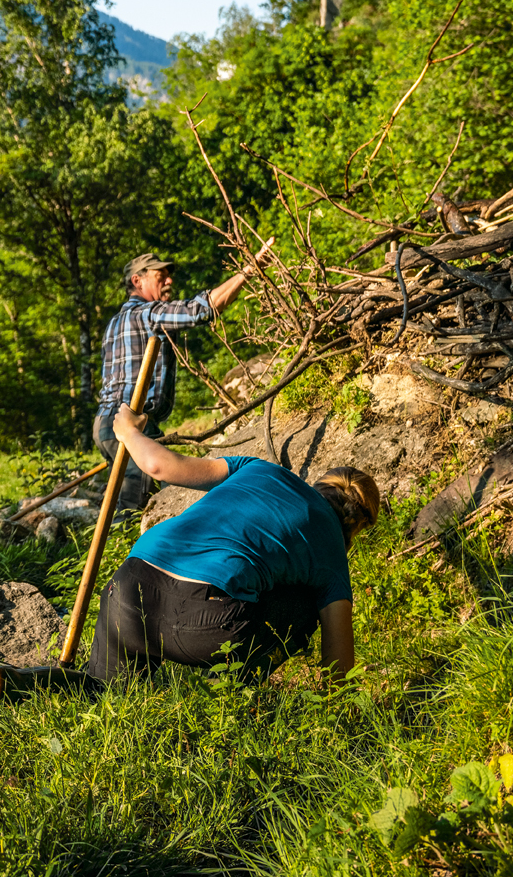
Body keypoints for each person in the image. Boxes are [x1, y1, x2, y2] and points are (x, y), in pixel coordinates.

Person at [84, 402, 380, 684]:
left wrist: (128, 432)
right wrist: (342, 720)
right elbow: (339, 663)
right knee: (306, 607)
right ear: (356, 527)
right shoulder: (333, 551)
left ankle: (44, 683)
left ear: (319, 484)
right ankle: (230, 695)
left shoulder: (257, 468)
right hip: (203, 625)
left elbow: (159, 466)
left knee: (101, 693)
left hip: (126, 590)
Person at [92, 247, 268, 510]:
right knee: (133, 508)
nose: (169, 280)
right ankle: (130, 551)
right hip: (133, 423)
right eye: (160, 275)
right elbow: (203, 308)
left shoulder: (114, 323)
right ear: (137, 281)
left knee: (146, 500)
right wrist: (249, 270)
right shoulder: (148, 313)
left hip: (105, 424)